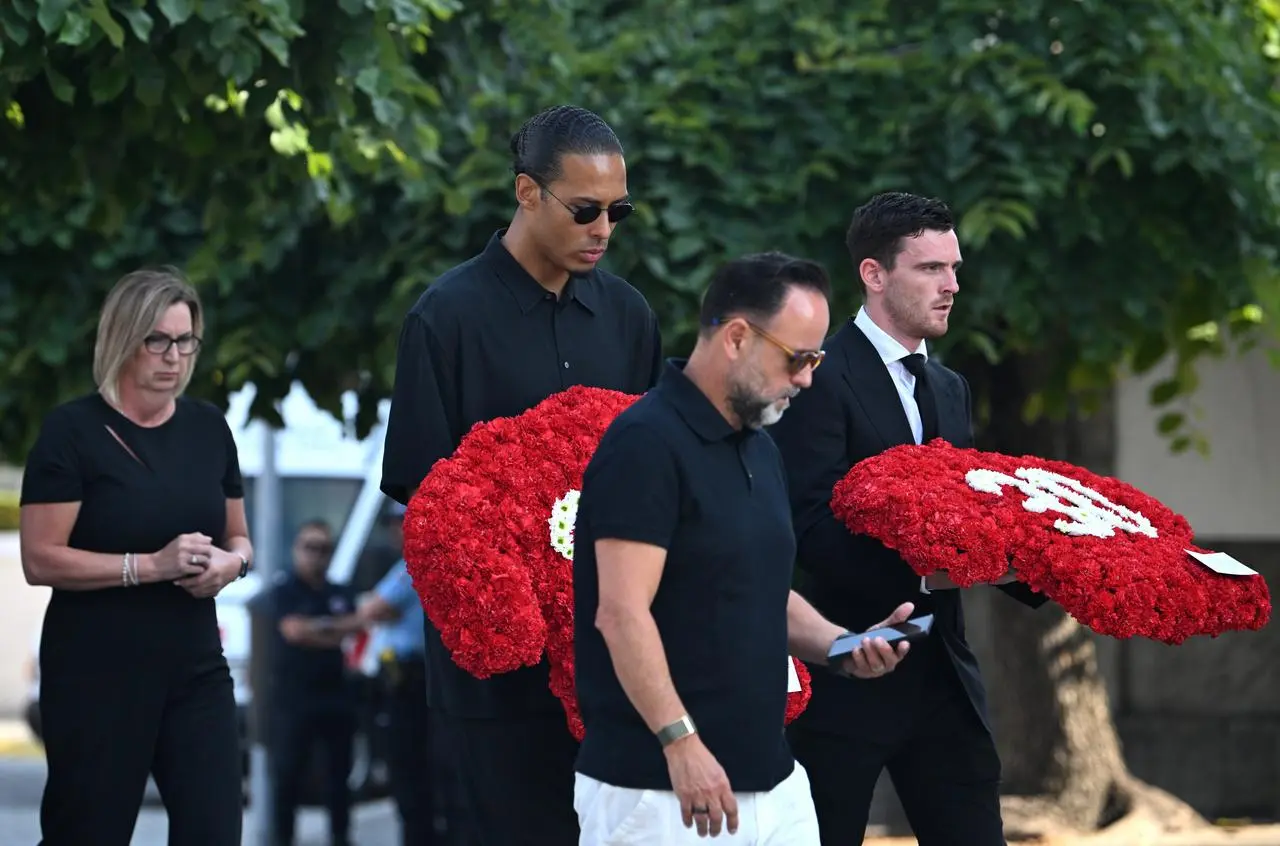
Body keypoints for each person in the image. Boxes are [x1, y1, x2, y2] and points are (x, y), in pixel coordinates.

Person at [379, 104, 663, 846]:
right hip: (498, 677)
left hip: (612, 665)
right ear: (527, 193)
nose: (604, 229)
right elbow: (424, 500)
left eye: (618, 211)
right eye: (585, 210)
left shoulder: (629, 316)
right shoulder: (445, 317)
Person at [571, 251, 916, 846]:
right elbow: (621, 611)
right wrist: (680, 743)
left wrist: (842, 644)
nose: (808, 378)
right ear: (736, 337)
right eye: (799, 358)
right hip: (660, 790)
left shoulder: (759, 446)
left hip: (773, 784)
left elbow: (760, 589)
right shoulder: (645, 445)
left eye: (817, 359)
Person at [767, 192, 1051, 846]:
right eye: (930, 269)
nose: (952, 285)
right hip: (847, 666)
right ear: (874, 274)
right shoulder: (819, 376)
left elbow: (969, 522)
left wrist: (1055, 567)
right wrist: (934, 569)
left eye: (954, 268)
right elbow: (807, 527)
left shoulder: (951, 389)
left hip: (945, 676)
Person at [18, 267, 252, 846]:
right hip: (97, 669)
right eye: (158, 340)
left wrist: (232, 565)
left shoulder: (208, 428)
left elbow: (239, 538)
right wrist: (150, 566)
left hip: (195, 666)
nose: (174, 356)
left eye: (185, 340)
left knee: (215, 830)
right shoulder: (71, 432)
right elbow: (39, 559)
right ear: (123, 338)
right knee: (88, 832)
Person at [258, 519, 358, 846]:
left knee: (338, 777)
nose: (317, 555)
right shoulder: (284, 591)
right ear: (296, 549)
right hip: (293, 698)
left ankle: (340, 837)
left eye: (324, 549)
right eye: (310, 548)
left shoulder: (340, 590)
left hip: (335, 695)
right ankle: (282, 839)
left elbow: (354, 626)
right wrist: (331, 629)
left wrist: (316, 630)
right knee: (287, 776)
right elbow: (293, 631)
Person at [355, 501, 442, 846]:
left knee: (411, 770)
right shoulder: (405, 564)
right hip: (402, 677)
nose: (396, 531)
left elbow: (374, 609)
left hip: (411, 680)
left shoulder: (413, 565)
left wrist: (373, 610)